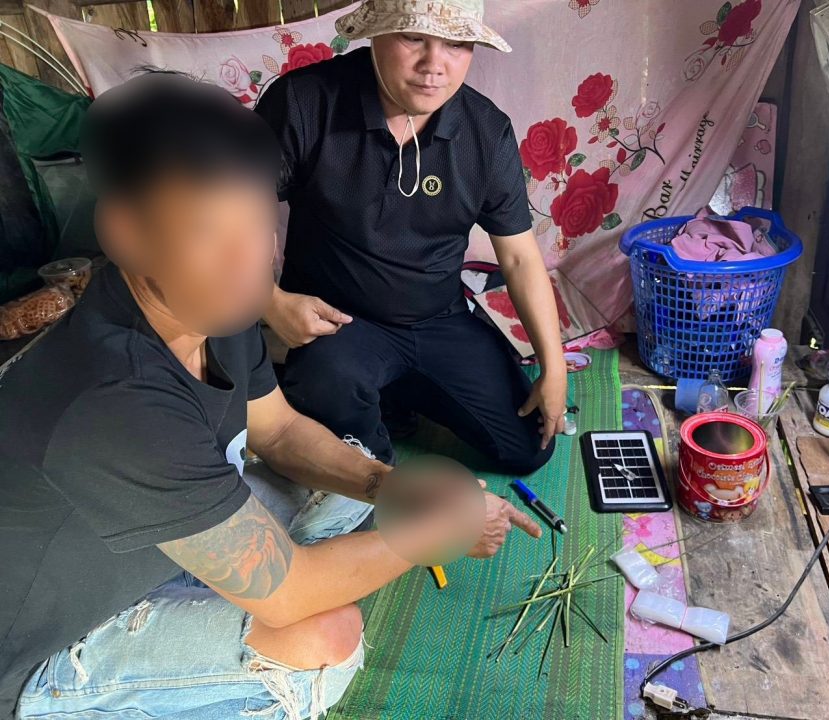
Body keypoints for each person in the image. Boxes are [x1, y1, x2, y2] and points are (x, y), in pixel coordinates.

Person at [0, 73, 540, 720]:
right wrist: (435, 532)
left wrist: (394, 490)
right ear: (126, 232)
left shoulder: (212, 306)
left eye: (258, 222)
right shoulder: (117, 397)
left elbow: (279, 431)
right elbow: (288, 593)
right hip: (51, 641)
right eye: (207, 232)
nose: (249, 262)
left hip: (144, 545)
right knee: (328, 639)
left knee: (354, 478)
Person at [255, 0, 568, 474]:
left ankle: (395, 392)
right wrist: (271, 301)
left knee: (528, 448)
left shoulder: (486, 131)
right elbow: (236, 216)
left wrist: (554, 366)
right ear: (376, 34)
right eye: (413, 37)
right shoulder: (304, 101)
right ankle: (369, 402)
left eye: (456, 44)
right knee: (357, 461)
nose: (433, 65)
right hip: (338, 324)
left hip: (439, 318)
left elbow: (520, 259)